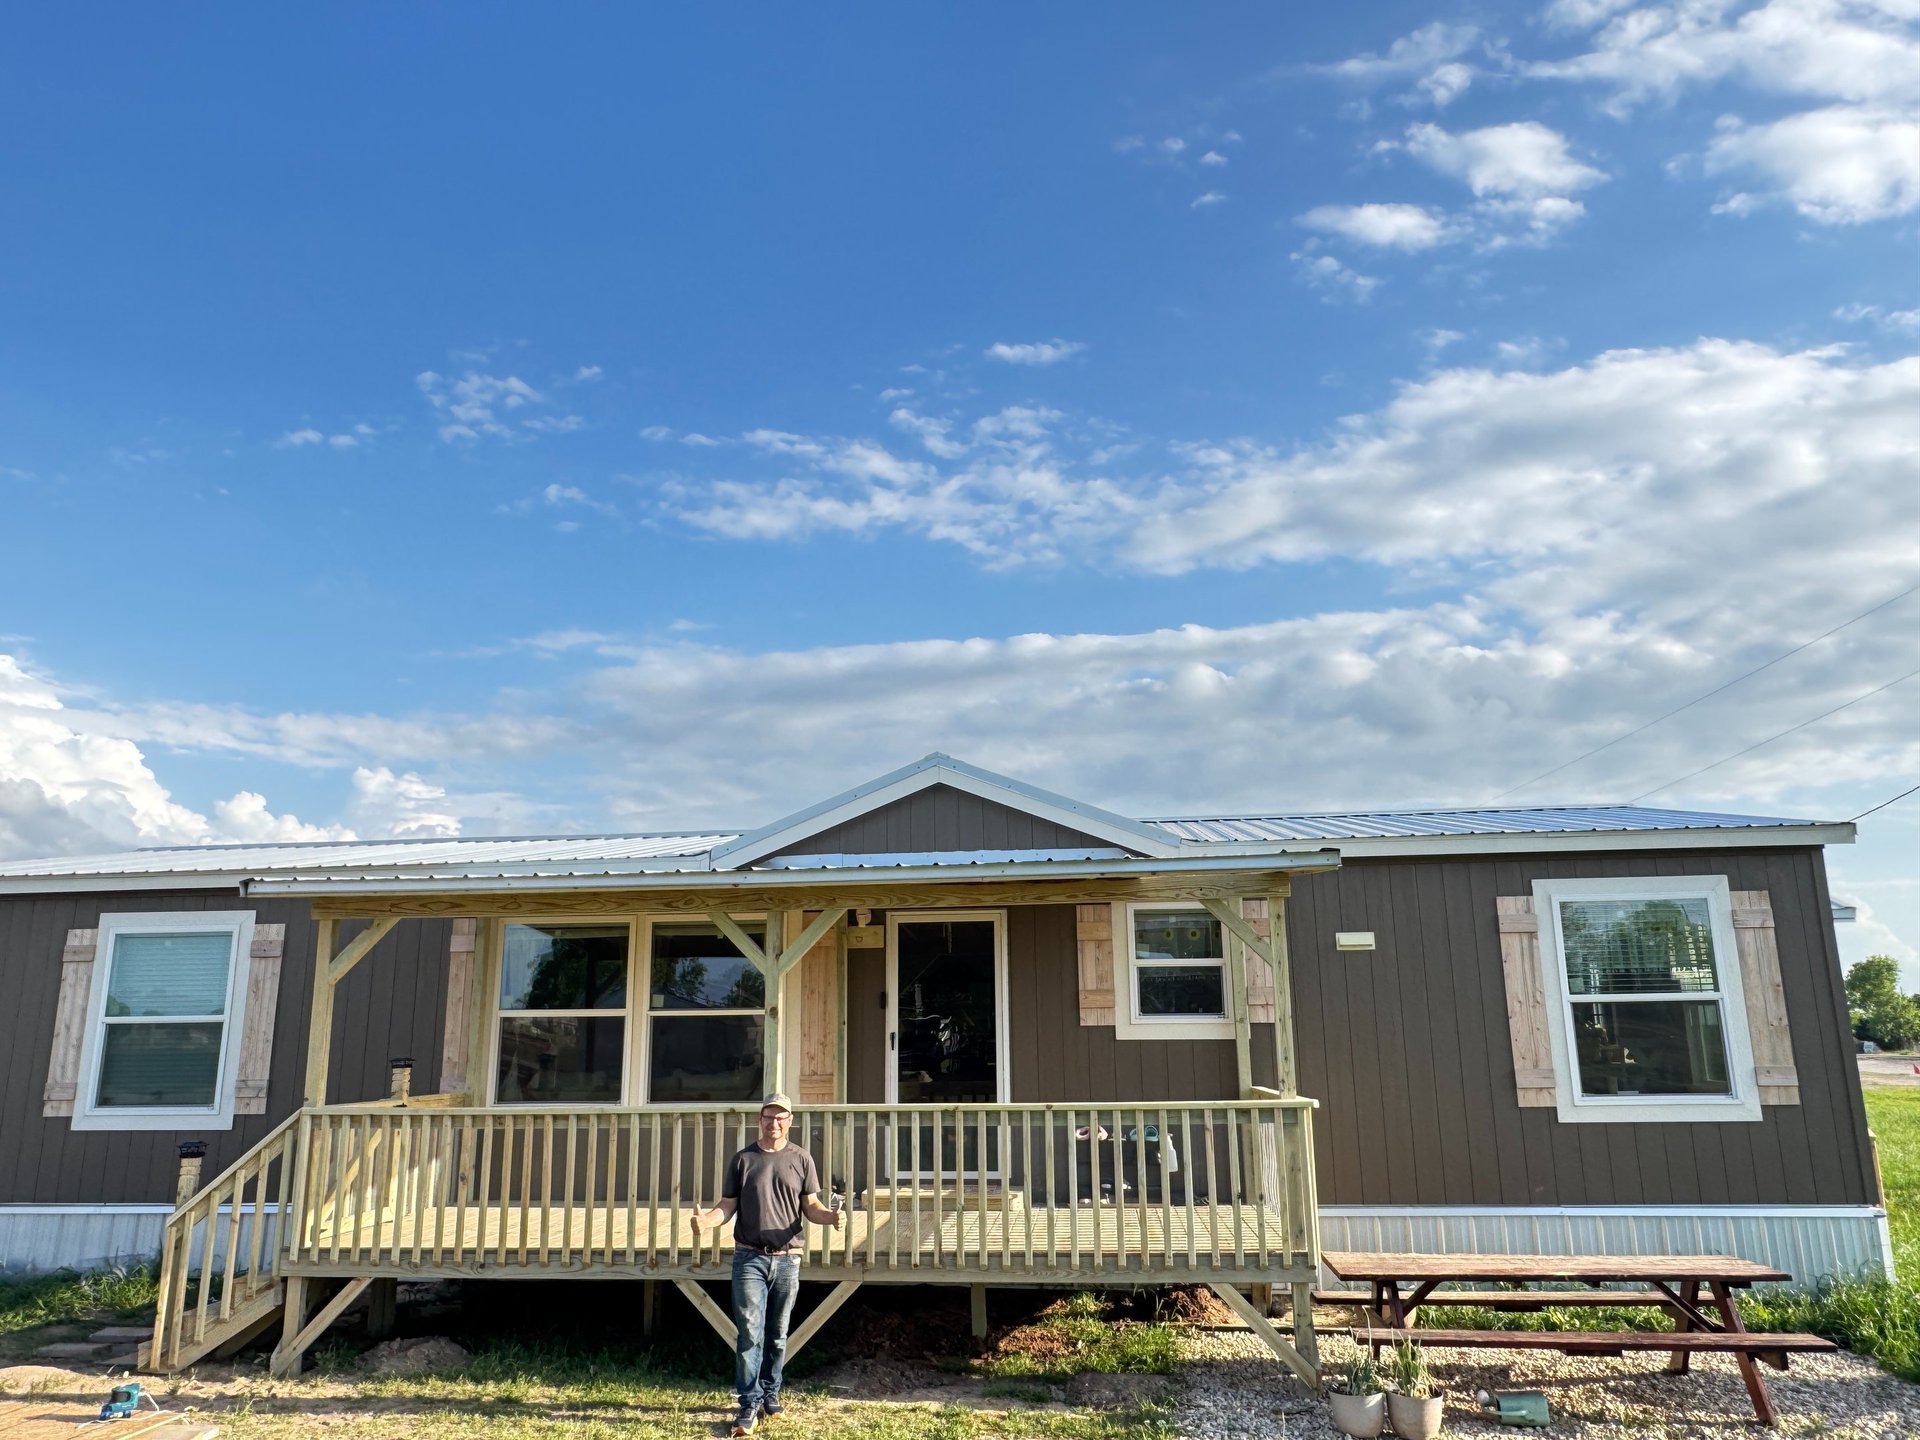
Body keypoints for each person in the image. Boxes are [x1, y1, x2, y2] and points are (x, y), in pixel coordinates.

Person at [690, 1092, 843, 1435]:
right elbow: (727, 1205)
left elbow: (811, 1206)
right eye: (768, 1117)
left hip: (788, 1258)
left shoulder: (801, 1159)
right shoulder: (743, 1159)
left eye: (781, 1117)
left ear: (790, 1121)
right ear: (759, 1120)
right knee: (749, 1334)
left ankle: (770, 1393)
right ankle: (748, 1403)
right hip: (749, 1257)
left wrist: (831, 1217)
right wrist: (707, 1221)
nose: (774, 1123)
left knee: (777, 1334)